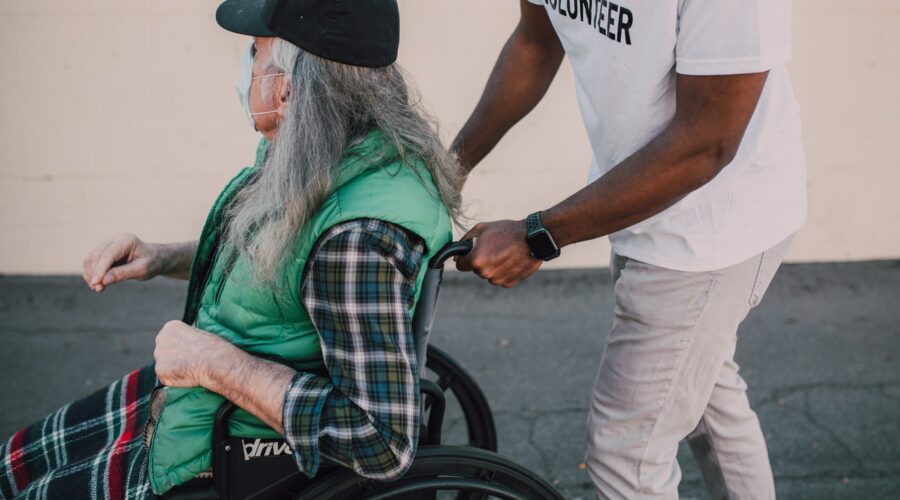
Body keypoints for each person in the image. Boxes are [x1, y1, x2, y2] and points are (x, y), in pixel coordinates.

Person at [0, 0, 461, 498]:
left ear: (287, 90)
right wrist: (164, 256)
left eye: (255, 52)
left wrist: (217, 364)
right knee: (14, 463)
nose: (247, 67)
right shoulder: (339, 151)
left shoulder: (356, 240)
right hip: (203, 399)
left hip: (227, 437)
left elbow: (381, 442)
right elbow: (284, 264)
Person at [452, 0, 805, 498]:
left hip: (711, 227)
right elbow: (536, 41)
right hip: (641, 199)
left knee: (626, 454)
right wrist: (448, 171)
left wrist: (538, 235)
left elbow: (706, 144)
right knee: (705, 397)